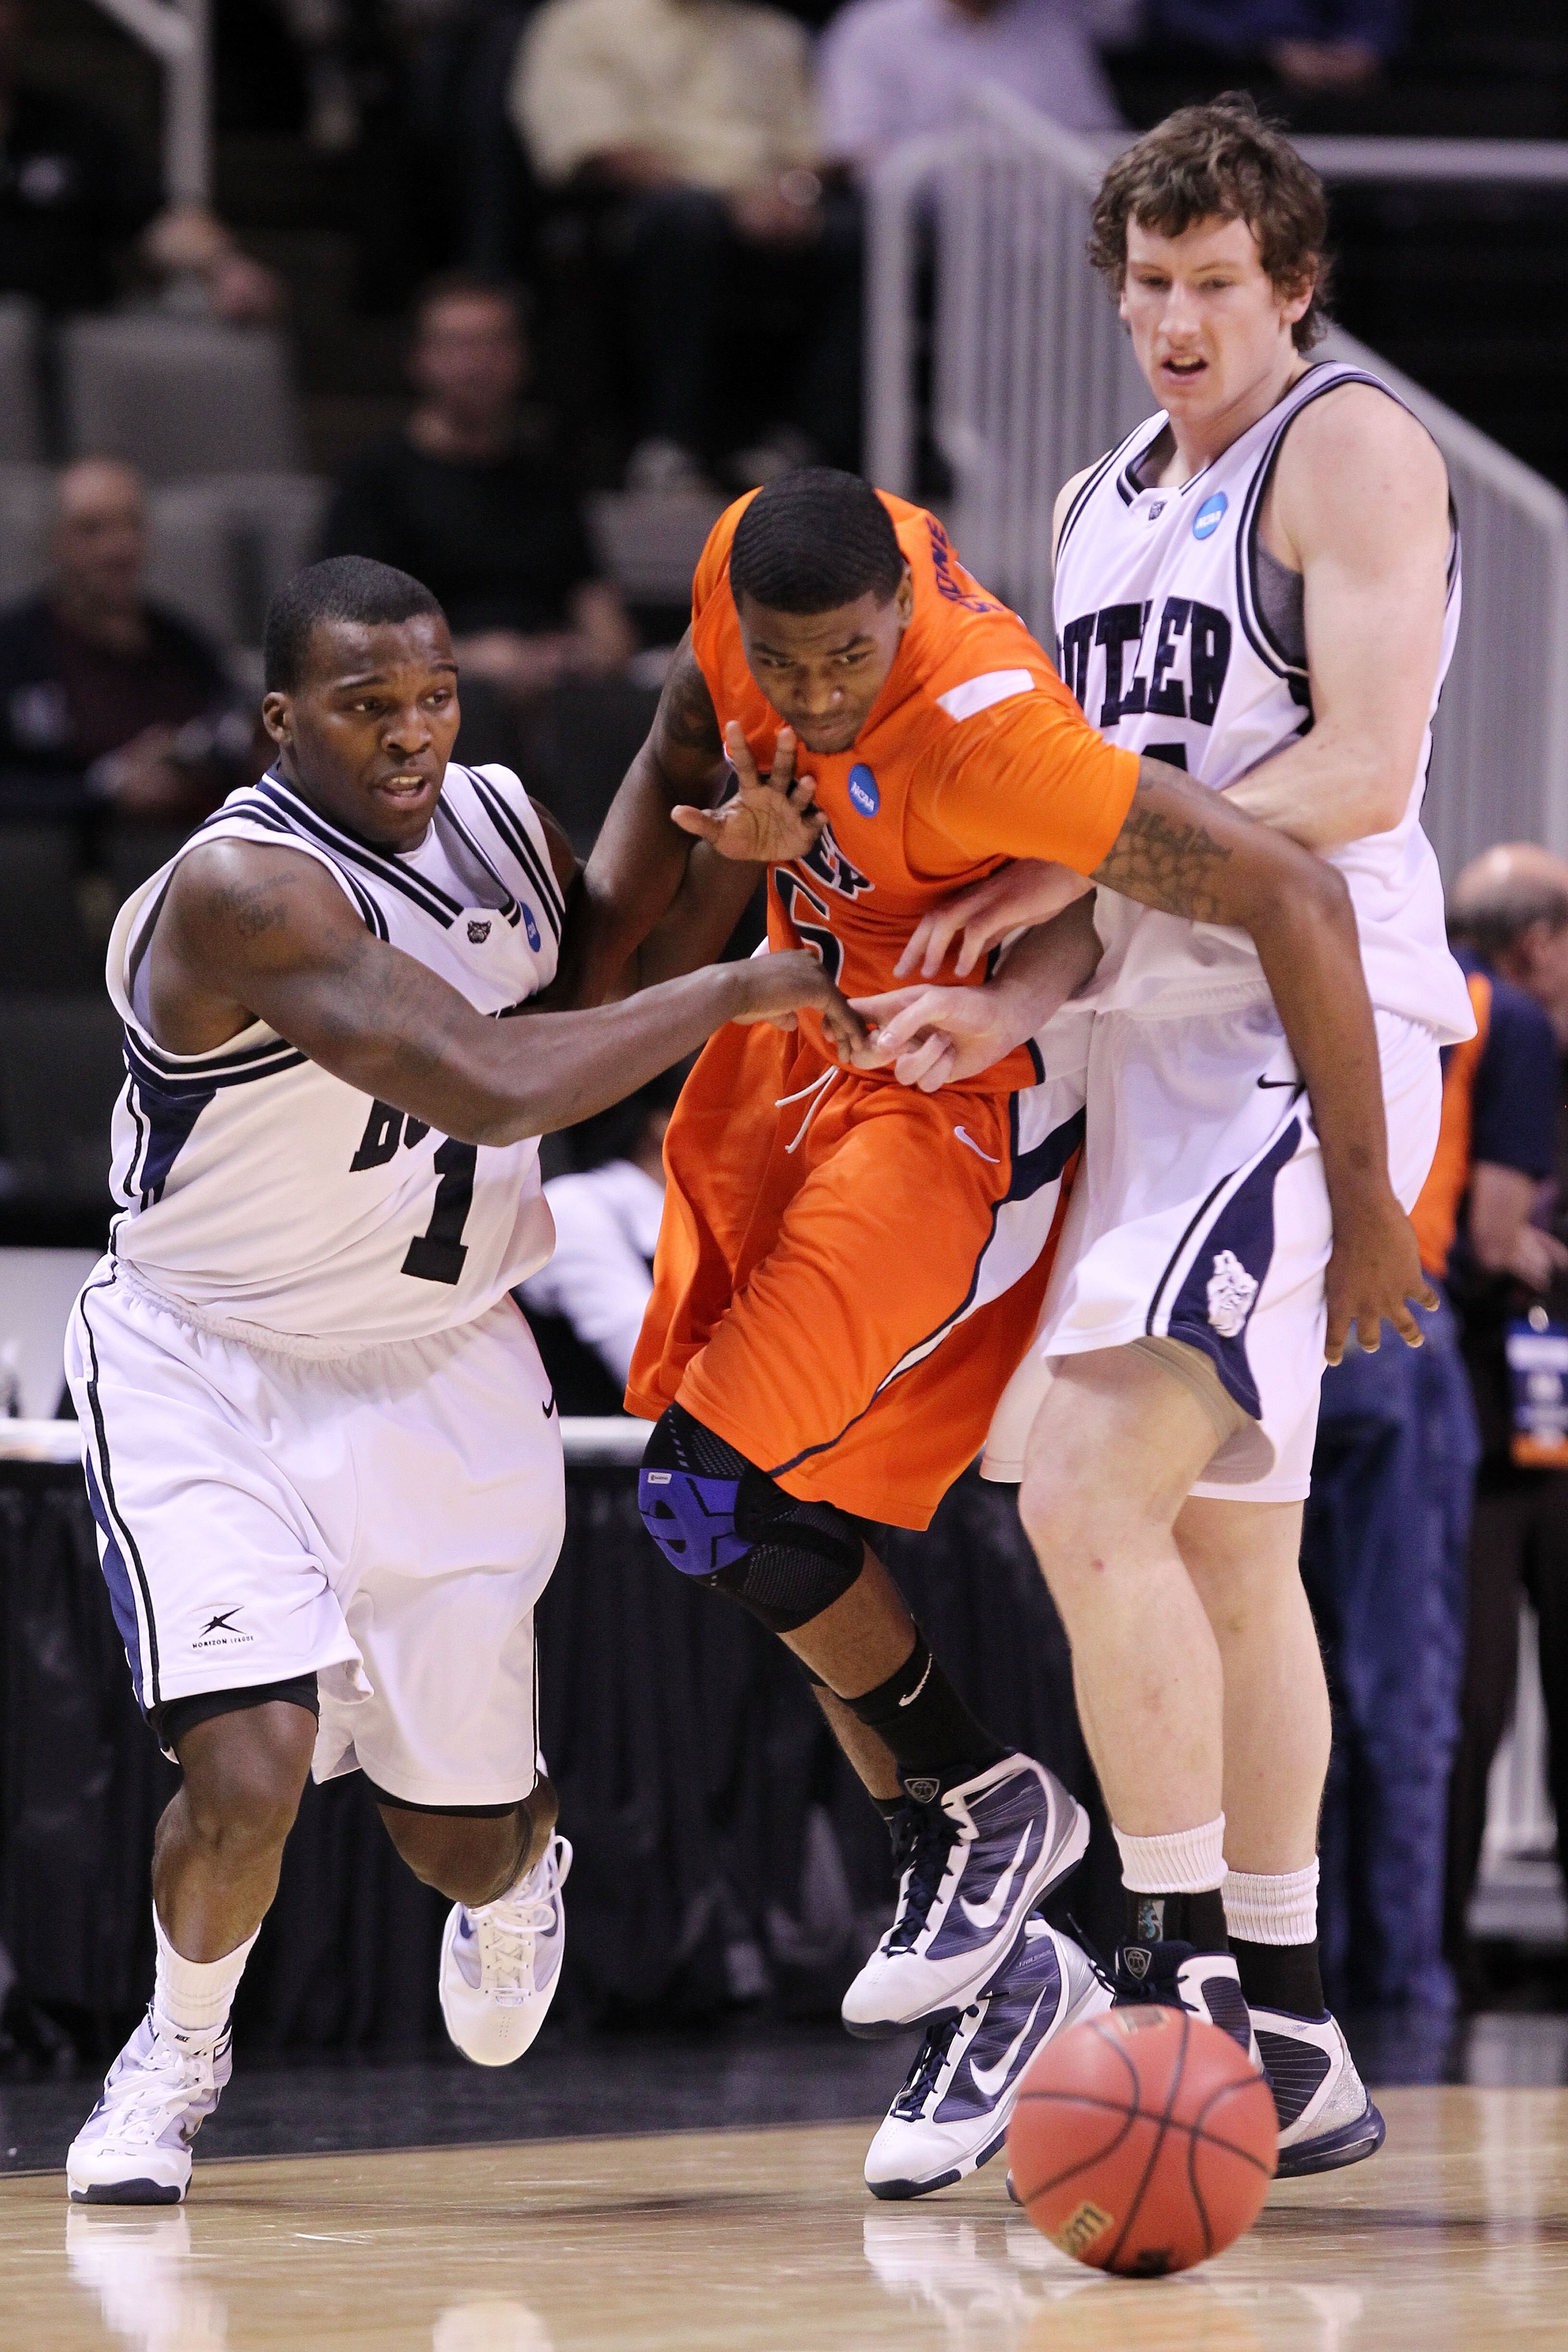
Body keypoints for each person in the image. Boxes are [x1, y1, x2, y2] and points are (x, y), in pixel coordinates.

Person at [553, 455, 1430, 2198]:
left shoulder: (992, 727)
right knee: (733, 1508)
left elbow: (1294, 892)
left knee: (730, 1496)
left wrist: (1367, 1207)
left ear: (896, 615)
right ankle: (1021, 1922)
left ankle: (1047, 1865)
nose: (812, 695)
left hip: (958, 1106)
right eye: (786, 665)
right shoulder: (753, 565)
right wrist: (563, 1017)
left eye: (845, 661)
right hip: (796, 1053)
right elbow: (666, 760)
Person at [61, 552, 856, 2205]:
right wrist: (742, 982)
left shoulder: (494, 818)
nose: (413, 732)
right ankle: (179, 2047)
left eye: (433, 696)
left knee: (457, 1835)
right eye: (368, 706)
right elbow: (495, 1081)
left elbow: (592, 989)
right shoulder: (242, 889)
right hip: (211, 1356)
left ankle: (517, 1874)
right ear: (283, 720)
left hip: (440, 1360)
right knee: (249, 1771)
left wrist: (690, 763)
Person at [856, 94, 1473, 2177]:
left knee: (1085, 1501)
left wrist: (1070, 860)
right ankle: (1297, 2026)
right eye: (1152, 286)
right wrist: (1015, 989)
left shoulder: (1354, 447)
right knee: (1221, 1540)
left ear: (1290, 285)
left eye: (1219, 282)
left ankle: (1174, 1958)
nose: (1182, 319)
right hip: (1152, 1040)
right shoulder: (1099, 497)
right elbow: (1108, 868)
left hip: (1314, 1031)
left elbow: (1366, 772)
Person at [510, 0, 862, 487]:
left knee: (859, 235)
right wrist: (730, 199)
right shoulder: (585, 21)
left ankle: (805, 439)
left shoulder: (776, 34)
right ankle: (670, 439)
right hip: (642, 209)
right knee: (686, 223)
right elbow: (595, 146)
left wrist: (793, 192)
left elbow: (814, 147)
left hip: (770, 204)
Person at [1440, 844, 1568, 1996]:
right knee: (1470, 1696)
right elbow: (1490, 1238)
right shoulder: (1515, 1031)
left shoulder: (1429, 1005)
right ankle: (1443, 1951)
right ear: (1540, 943)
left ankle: (1432, 1951)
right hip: (1492, 1412)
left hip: (1472, 1409)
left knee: (1452, 1692)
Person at [320, 274, 634, 732]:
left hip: (555, 689)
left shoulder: (547, 474)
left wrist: (582, 652)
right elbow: (346, 636)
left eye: (495, 345)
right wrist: (467, 659)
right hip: (430, 698)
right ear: (420, 360)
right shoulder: (374, 480)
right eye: (458, 346)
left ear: (522, 358)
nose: (477, 364)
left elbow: (600, 609)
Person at [0, 458, 256, 831]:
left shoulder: (185, 645)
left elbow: (234, 738)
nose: (118, 549)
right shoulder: (13, 650)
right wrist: (104, 790)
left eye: (131, 526)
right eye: (93, 530)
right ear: (56, 542)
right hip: (72, 866)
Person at [0, 0, 281, 320]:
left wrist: (226, 266)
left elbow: (158, 221)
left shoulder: (75, 127)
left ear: (23, 13)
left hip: (66, 344)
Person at [518, 1074, 678, 1415]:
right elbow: (653, 1370)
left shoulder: (721, 1220)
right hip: (586, 1465)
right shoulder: (579, 1205)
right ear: (664, 1123)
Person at [820, 0, 1131, 173]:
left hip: (1050, 224)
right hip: (924, 233)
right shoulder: (872, 27)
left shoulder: (1053, 25)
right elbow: (856, 150)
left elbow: (1099, 136)